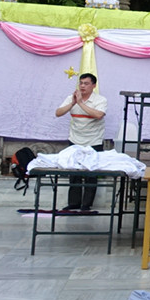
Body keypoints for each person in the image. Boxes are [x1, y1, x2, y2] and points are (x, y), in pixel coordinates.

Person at [54, 73, 108, 210]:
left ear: (94, 86)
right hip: (75, 140)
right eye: (81, 83)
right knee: (74, 173)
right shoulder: (71, 98)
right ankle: (73, 203)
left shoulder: (100, 100)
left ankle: (86, 205)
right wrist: (72, 103)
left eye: (86, 83)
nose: (82, 86)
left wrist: (80, 103)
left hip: (93, 141)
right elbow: (58, 113)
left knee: (91, 174)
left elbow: (98, 115)